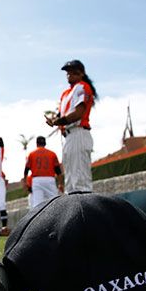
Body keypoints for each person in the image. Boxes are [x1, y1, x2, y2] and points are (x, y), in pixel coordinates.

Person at [46, 60, 97, 193]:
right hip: (68, 136)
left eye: (73, 71)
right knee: (70, 181)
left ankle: (85, 211)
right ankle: (75, 211)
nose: (70, 74)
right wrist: (54, 120)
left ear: (81, 73)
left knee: (80, 180)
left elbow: (78, 113)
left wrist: (59, 121)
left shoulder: (83, 86)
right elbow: (60, 115)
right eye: (68, 72)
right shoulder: (65, 94)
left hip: (78, 132)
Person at [23, 136, 63, 207]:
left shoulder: (32, 154)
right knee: (54, 203)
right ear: (45, 143)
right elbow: (58, 171)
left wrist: (25, 182)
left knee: (37, 205)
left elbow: (26, 170)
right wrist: (60, 184)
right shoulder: (52, 153)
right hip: (49, 179)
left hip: (37, 180)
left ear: (37, 144)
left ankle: (38, 217)